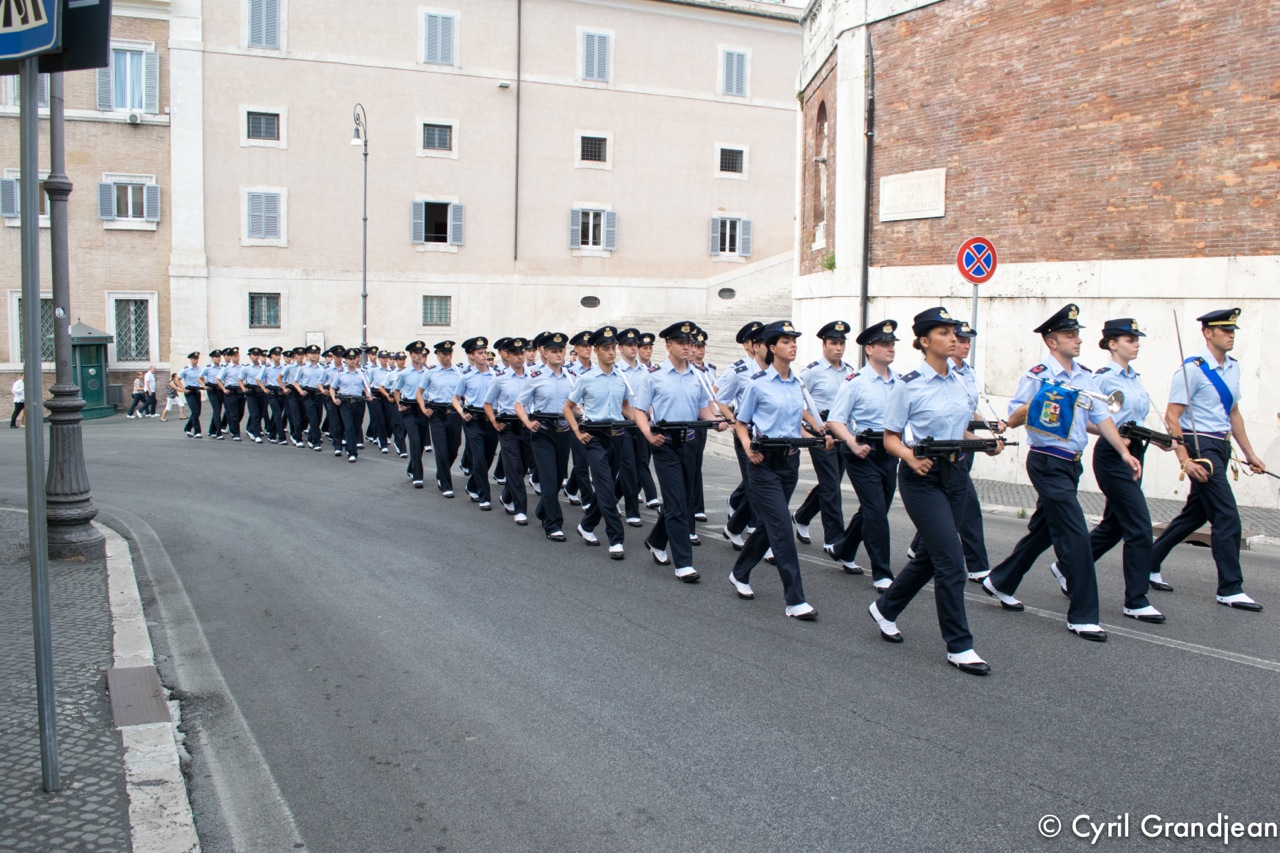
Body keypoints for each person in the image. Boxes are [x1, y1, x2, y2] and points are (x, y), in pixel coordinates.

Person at [984, 303, 1140, 642]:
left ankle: (1000, 580)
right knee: (1075, 534)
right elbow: (1014, 416)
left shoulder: (1085, 376)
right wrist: (1045, 397)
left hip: (1072, 463)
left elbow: (1100, 418)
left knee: (1044, 531)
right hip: (1045, 461)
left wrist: (1124, 451)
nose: (1078, 340)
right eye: (1070, 335)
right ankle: (1083, 615)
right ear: (1052, 341)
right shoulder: (1038, 375)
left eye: (1077, 334)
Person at [866, 307, 1000, 674]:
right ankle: (960, 645)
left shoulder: (959, 381)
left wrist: (985, 442)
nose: (953, 338)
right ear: (925, 342)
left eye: (954, 332)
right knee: (951, 562)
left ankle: (886, 607)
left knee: (931, 556)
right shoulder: (908, 385)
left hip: (955, 475)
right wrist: (910, 458)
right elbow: (890, 437)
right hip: (921, 479)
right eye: (944, 333)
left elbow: (961, 431)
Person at [1150, 308, 1266, 612]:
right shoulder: (1192, 370)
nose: (1231, 335)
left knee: (1195, 515)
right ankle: (1230, 588)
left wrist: (1250, 453)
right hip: (1200, 447)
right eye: (1225, 330)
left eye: (1233, 331)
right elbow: (1171, 417)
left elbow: (1233, 414)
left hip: (1221, 447)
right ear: (1208, 333)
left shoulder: (1233, 368)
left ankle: (1148, 562)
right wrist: (1184, 459)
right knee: (1226, 516)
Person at [728, 320, 829, 620]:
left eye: (794, 340)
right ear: (772, 348)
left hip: (790, 462)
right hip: (763, 464)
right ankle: (795, 599)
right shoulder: (758, 384)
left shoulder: (796, 384)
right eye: (786, 341)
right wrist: (748, 449)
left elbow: (795, 422)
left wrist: (817, 438)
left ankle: (740, 571)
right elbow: (741, 422)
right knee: (783, 528)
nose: (793, 345)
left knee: (771, 527)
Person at [1084, 318, 1166, 623]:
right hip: (1112, 456)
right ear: (1112, 343)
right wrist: (1117, 440)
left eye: (1137, 339)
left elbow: (1136, 422)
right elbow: (1087, 419)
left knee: (1115, 525)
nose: (1136, 343)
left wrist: (1158, 441)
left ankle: (1069, 566)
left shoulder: (1135, 378)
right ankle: (1136, 599)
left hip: (1135, 453)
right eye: (1129, 339)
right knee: (1140, 527)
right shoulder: (1103, 378)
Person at [634, 321, 724, 582]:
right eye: (682, 343)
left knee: (683, 500)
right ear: (669, 345)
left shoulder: (698, 375)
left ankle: (656, 541)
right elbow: (640, 410)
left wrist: (715, 421)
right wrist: (649, 435)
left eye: (691, 343)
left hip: (690, 443)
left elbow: (703, 408)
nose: (688, 347)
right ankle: (684, 563)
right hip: (665, 444)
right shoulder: (654, 375)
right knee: (676, 503)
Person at [824, 320, 900, 589]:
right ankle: (882, 573)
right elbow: (835, 420)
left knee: (875, 510)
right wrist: (852, 443)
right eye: (884, 344)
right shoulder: (855, 382)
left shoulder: (900, 381)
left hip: (890, 452)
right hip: (862, 452)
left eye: (892, 344)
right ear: (869, 349)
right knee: (876, 513)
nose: (890, 348)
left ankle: (843, 548)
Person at [563, 326, 635, 560]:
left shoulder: (620, 377)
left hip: (618, 436)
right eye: (606, 348)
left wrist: (643, 421)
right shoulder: (586, 379)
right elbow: (568, 407)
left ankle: (586, 525)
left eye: (613, 348)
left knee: (611, 487)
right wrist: (577, 431)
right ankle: (616, 538)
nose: (612, 352)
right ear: (596, 351)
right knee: (604, 487)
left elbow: (625, 407)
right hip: (594, 437)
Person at [794, 320, 856, 548]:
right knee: (831, 486)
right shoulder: (812, 372)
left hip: (843, 432)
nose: (838, 348)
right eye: (833, 343)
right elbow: (795, 400)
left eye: (841, 343)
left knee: (831, 483)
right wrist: (811, 425)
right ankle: (834, 539)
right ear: (824, 345)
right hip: (820, 433)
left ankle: (802, 516)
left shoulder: (850, 372)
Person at [948, 321, 999, 583]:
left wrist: (988, 428)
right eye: (961, 339)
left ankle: (919, 546)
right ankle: (978, 565)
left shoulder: (969, 372)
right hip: (950, 444)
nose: (966, 345)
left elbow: (971, 410)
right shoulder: (943, 373)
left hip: (967, 441)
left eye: (969, 341)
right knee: (968, 504)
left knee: (954, 501)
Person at [516, 331, 574, 540]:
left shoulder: (570, 377)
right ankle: (553, 524)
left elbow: (574, 406)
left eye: (562, 350)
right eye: (555, 351)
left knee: (558, 479)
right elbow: (519, 404)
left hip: (564, 432)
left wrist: (584, 416)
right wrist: (527, 422)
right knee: (549, 479)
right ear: (545, 353)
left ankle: (543, 510)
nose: (559, 354)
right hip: (542, 433)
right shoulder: (536, 378)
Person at [717, 321, 768, 549]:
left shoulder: (773, 368)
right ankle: (757, 532)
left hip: (769, 434)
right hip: (746, 432)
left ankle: (736, 514)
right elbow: (719, 397)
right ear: (750, 345)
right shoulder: (738, 371)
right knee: (756, 484)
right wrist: (730, 419)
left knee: (759, 484)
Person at [485, 337, 533, 525]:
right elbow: (488, 403)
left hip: (528, 427)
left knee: (522, 467)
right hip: (508, 427)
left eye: (522, 353)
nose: (520, 357)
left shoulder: (533, 376)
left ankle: (506, 495)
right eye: (515, 354)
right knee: (514, 466)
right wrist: (494, 421)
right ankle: (520, 509)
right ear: (508, 356)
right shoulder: (500, 379)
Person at [618, 328, 661, 509]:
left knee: (640, 462)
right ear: (620, 348)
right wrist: (637, 417)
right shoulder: (616, 370)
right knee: (628, 465)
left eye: (635, 344)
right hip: (622, 423)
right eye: (629, 345)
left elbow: (650, 397)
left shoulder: (646, 370)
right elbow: (620, 402)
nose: (633, 348)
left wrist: (649, 416)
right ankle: (634, 507)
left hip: (641, 423)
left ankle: (611, 499)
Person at [454, 336, 499, 510]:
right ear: (472, 356)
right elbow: (455, 398)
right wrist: (461, 412)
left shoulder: (495, 375)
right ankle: (484, 496)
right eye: (479, 353)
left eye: (485, 352)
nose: (483, 356)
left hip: (491, 420)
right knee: (479, 458)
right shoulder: (466, 377)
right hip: (473, 420)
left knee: (487, 458)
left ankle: (472, 485)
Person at [420, 340, 466, 496]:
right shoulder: (430, 372)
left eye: (449, 353)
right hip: (437, 414)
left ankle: (441, 472)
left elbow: (464, 392)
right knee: (441, 449)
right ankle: (445, 484)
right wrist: (423, 408)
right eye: (444, 353)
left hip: (454, 413)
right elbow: (419, 393)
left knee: (454, 447)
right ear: (438, 354)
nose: (447, 356)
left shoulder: (459, 372)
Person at [330, 347, 372, 461]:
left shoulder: (362, 373)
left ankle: (350, 446)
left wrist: (369, 395)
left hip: (358, 402)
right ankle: (351, 451)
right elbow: (332, 388)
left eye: (354, 358)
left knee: (356, 426)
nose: (352, 360)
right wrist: (334, 399)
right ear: (346, 360)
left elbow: (366, 387)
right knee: (349, 426)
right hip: (345, 402)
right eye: (349, 358)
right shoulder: (340, 373)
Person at [294, 345, 327, 450]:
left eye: (317, 353)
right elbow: (295, 382)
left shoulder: (322, 368)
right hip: (308, 395)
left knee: (318, 418)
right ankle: (316, 442)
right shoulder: (302, 368)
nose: (314, 355)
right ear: (307, 355)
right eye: (312, 353)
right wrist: (300, 390)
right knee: (313, 418)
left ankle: (310, 437)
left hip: (319, 394)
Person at [173, 352, 204, 438]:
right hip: (189, 392)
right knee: (195, 411)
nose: (196, 360)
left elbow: (202, 379)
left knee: (198, 412)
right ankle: (197, 431)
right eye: (194, 358)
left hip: (197, 391)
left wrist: (204, 385)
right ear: (190, 359)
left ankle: (188, 427)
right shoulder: (186, 369)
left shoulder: (199, 369)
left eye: (197, 358)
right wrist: (183, 389)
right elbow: (177, 380)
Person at [201, 351, 225, 437]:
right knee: (216, 410)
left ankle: (212, 430)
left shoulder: (223, 367)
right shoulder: (208, 367)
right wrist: (204, 385)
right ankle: (218, 432)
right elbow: (200, 377)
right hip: (212, 390)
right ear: (212, 358)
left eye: (219, 356)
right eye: (215, 357)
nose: (218, 358)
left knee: (217, 410)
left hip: (220, 389)